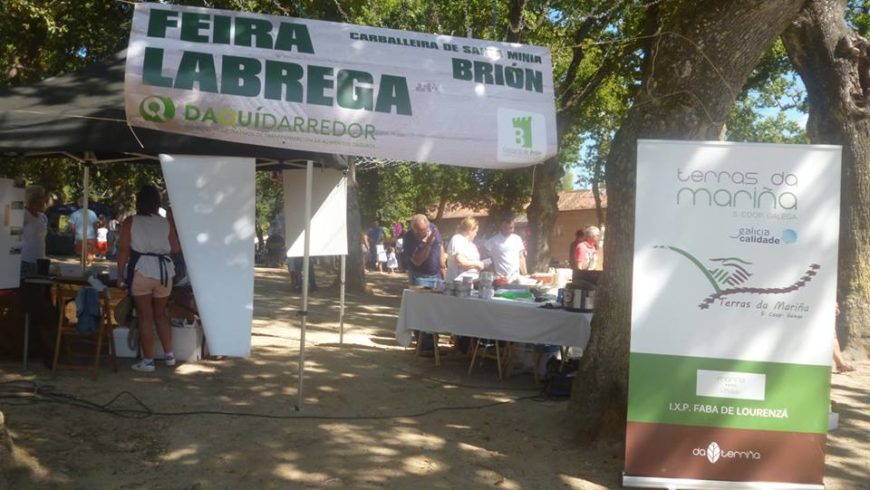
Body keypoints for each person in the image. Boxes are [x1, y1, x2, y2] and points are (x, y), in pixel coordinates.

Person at [117, 185, 180, 373]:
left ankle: (148, 361)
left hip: (142, 270)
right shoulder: (165, 222)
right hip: (164, 273)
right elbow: (175, 248)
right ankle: (169, 355)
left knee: (145, 316)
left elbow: (123, 251)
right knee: (161, 314)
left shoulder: (130, 221)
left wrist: (120, 275)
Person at [401, 214, 443, 286]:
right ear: (412, 228)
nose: (420, 234)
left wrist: (443, 266)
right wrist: (428, 244)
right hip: (419, 278)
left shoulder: (433, 228)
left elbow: (440, 244)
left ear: (428, 225)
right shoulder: (408, 238)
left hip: (437, 275)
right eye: (418, 232)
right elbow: (418, 262)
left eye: (423, 231)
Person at [484, 215, 526, 281]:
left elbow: (521, 258)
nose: (509, 230)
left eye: (511, 228)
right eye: (506, 228)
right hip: (500, 278)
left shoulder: (517, 239)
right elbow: (485, 258)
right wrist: (492, 272)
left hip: (516, 278)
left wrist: (525, 275)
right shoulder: (492, 241)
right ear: (501, 226)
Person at [446, 217, 486, 282]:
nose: (476, 234)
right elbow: (460, 262)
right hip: (457, 283)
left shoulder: (472, 245)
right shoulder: (457, 239)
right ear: (470, 230)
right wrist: (477, 264)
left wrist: (480, 265)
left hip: (471, 283)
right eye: (475, 231)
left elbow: (467, 265)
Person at [20, 185, 48, 278]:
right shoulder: (23, 214)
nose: (45, 199)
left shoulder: (43, 217)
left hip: (41, 260)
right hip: (25, 259)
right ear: (33, 199)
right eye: (42, 197)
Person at [68, 195, 98, 264]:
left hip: (79, 237)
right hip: (91, 237)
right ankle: (89, 266)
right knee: (90, 254)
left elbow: (72, 227)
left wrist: (75, 233)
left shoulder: (74, 214)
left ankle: (82, 267)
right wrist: (96, 236)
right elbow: (95, 226)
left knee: (81, 254)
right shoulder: (93, 213)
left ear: (79, 203)